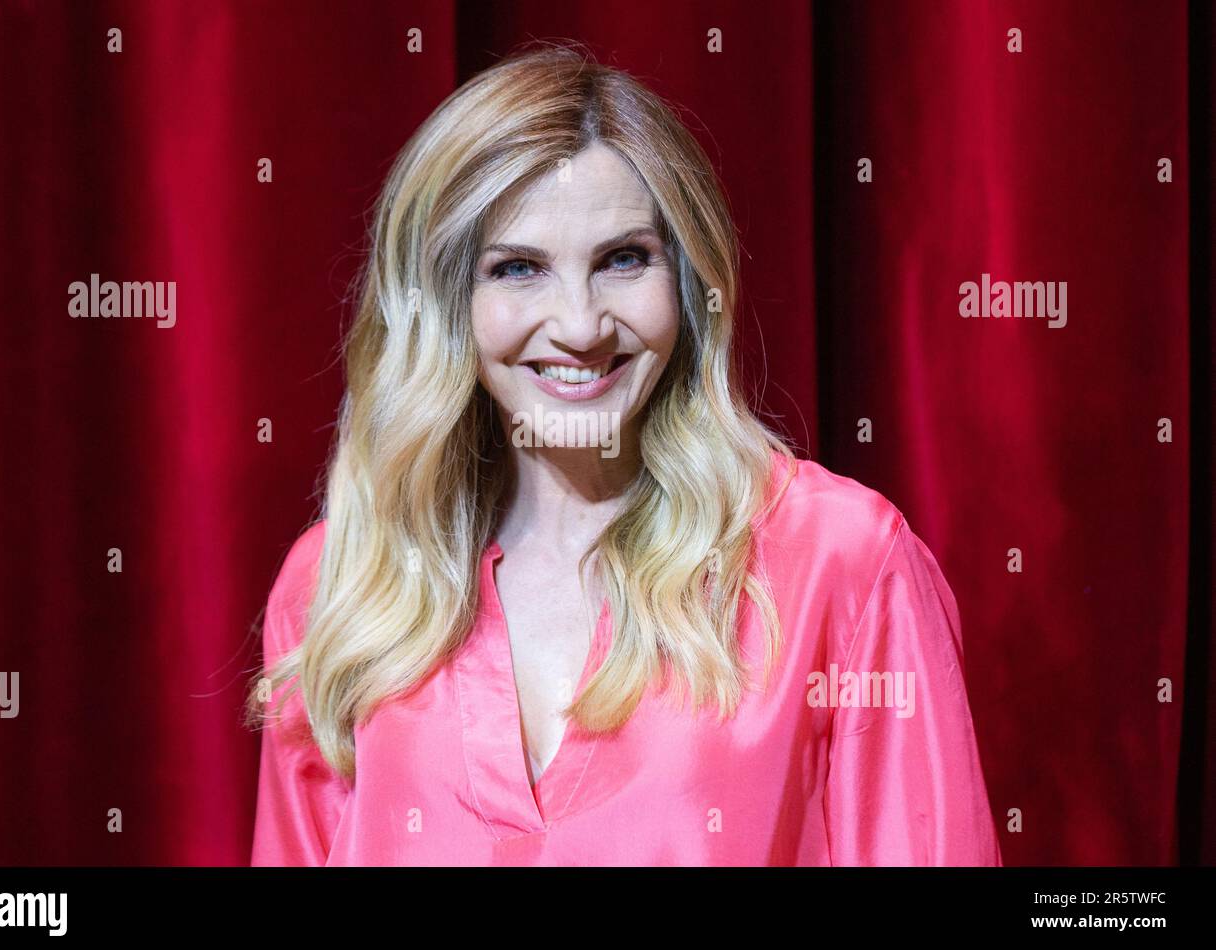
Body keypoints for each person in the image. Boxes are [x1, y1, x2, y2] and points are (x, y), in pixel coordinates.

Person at [247, 44, 1002, 866]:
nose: (579, 324)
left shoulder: (843, 563)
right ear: (442, 302)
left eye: (623, 260)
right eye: (518, 269)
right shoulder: (342, 582)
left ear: (687, 281)